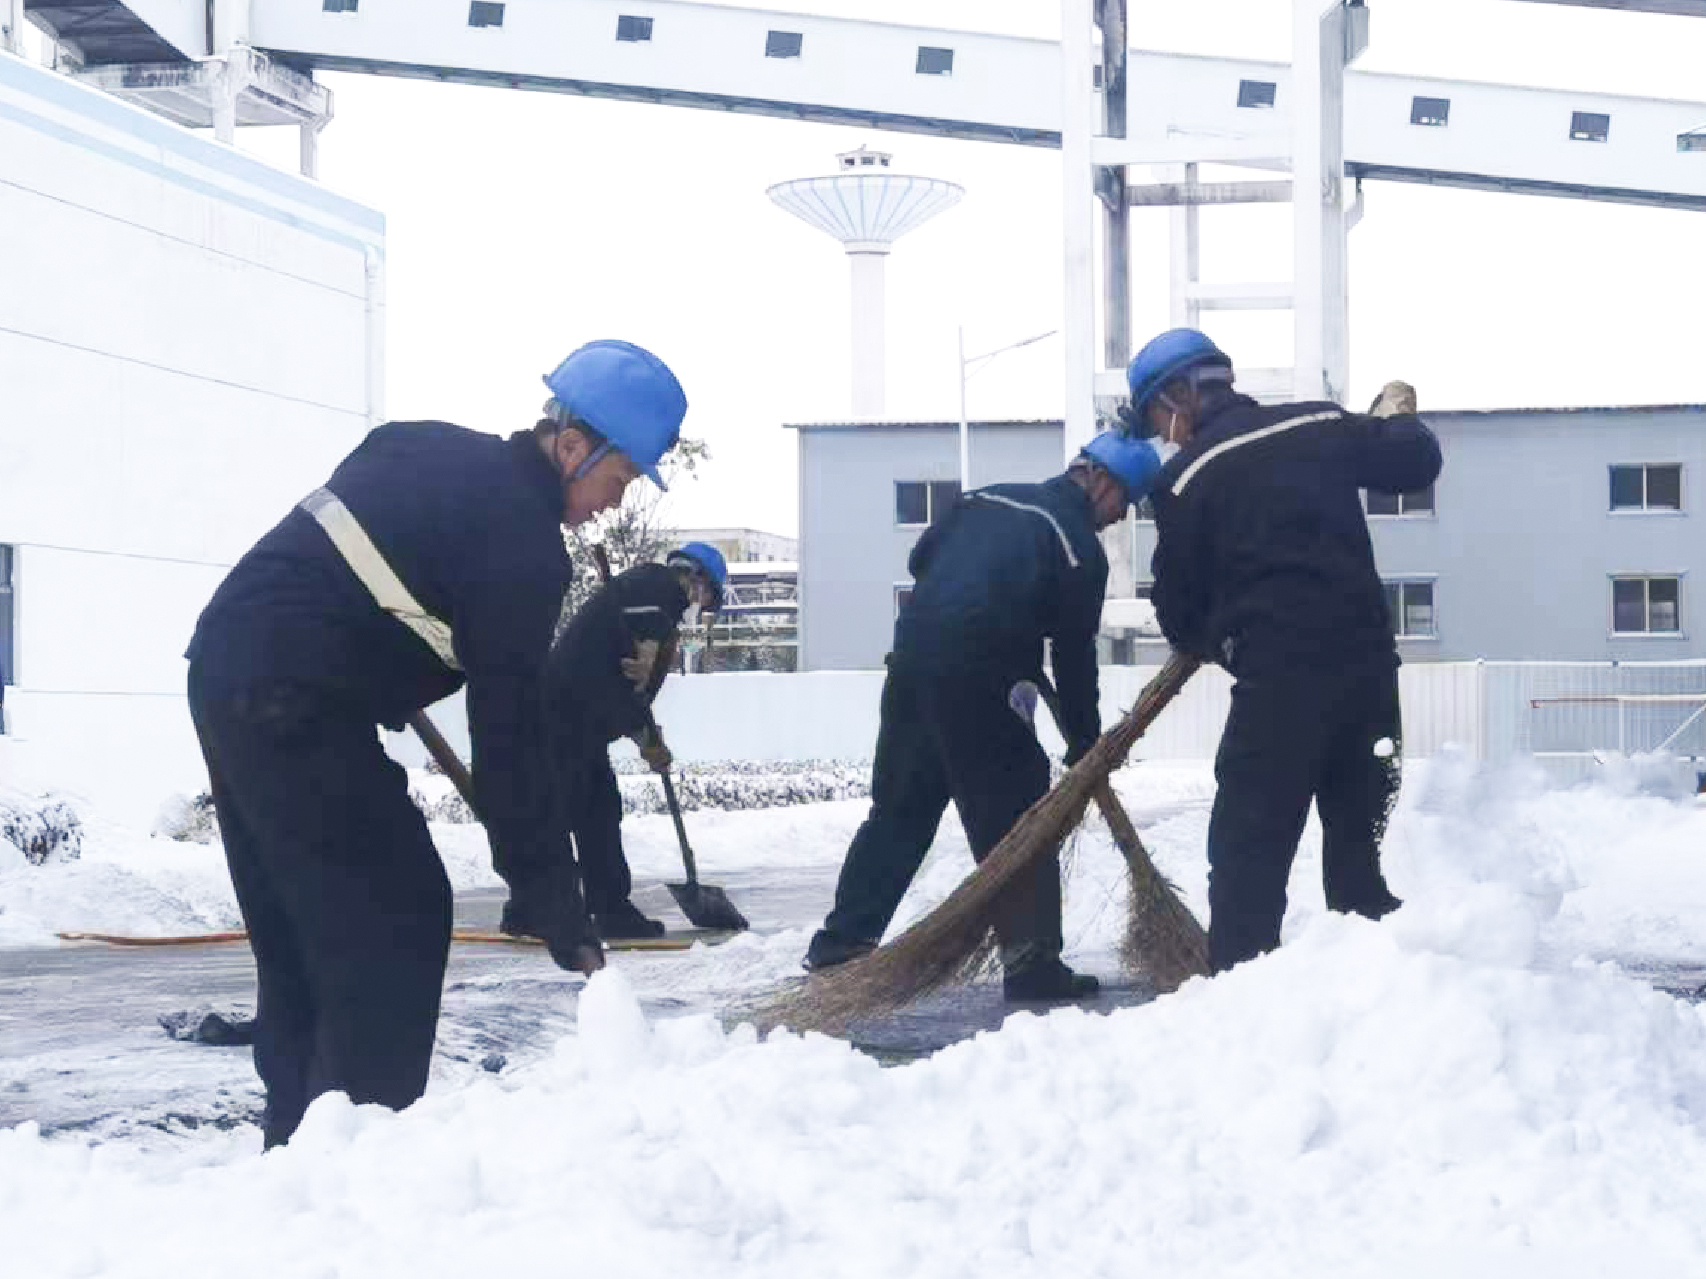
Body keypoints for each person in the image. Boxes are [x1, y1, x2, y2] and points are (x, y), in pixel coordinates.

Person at [184, 339, 686, 1147]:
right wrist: (553, 898)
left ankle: (298, 1141)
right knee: (401, 907)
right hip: (291, 697)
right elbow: (510, 736)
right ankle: (364, 1140)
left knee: (302, 921)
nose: (612, 504)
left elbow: (365, 534)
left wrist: (373, 656)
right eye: (619, 479)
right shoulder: (525, 550)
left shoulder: (427, 445)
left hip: (227, 663)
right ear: (572, 446)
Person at [802, 433, 1164, 1001]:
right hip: (982, 675)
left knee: (900, 810)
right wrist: (1086, 743)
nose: (1121, 517)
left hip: (911, 666)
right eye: (1126, 502)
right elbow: (1073, 657)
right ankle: (1032, 963)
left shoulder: (981, 499)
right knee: (1018, 816)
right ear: (1101, 481)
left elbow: (920, 560)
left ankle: (841, 946)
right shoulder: (1077, 547)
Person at [1129, 327, 1441, 973]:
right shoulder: (1320, 423)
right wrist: (1400, 421)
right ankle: (1376, 992)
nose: (1165, 435)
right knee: (1358, 849)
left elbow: (1179, 614)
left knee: (1248, 857)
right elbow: (1415, 463)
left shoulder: (1184, 481)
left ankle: (1243, 992)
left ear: (1179, 394)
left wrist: (1225, 639)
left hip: (1279, 689)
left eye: (1157, 418)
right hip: (1369, 680)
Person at [527, 542, 728, 940]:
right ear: (697, 578)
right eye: (706, 596)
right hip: (566, 716)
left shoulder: (648, 592)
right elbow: (623, 680)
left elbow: (625, 680)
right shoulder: (659, 589)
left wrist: (647, 735)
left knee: (595, 812)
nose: (699, 604)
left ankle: (598, 909)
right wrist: (646, 736)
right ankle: (547, 909)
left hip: (575, 716)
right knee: (573, 813)